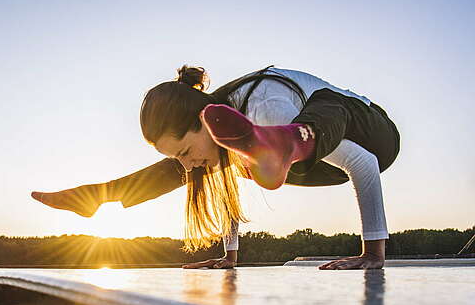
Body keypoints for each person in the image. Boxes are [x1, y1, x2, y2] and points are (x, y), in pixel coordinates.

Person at [32, 65, 400, 270]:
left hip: (373, 134)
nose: (188, 163)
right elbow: (223, 185)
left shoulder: (266, 108)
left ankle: (290, 141)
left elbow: (365, 162)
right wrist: (230, 256)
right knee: (196, 164)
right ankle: (97, 196)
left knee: (327, 102)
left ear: (204, 122)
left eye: (185, 149)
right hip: (303, 160)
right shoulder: (225, 131)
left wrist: (372, 254)